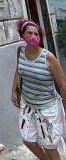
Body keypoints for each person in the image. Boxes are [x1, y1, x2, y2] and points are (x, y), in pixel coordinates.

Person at [11, 18, 66, 160]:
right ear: (22, 35)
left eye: (36, 34)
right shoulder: (20, 51)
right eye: (29, 33)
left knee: (49, 146)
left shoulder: (48, 57)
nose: (34, 37)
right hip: (28, 105)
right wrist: (14, 90)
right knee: (28, 140)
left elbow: (62, 85)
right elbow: (19, 69)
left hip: (47, 108)